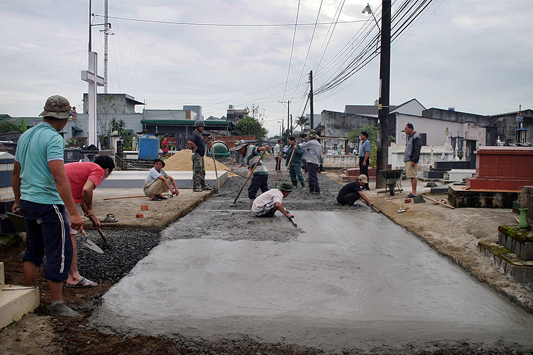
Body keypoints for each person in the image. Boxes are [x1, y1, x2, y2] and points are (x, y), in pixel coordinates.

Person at [12, 95, 84, 318]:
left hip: (28, 202)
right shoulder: (53, 138)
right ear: (63, 118)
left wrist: (17, 200)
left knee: (33, 251)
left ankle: (30, 298)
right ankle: (57, 304)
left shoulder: (26, 135)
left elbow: (16, 172)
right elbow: (59, 177)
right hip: (48, 204)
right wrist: (73, 212)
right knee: (59, 252)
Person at [64, 155, 115, 288]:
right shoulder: (98, 170)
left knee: (58, 232)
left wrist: (93, 218)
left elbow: (81, 197)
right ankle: (73, 277)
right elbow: (87, 190)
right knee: (71, 233)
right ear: (107, 170)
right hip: (57, 195)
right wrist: (91, 210)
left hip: (43, 193)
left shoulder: (86, 167)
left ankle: (59, 269)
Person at [231, 140, 270, 204]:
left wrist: (265, 148)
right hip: (262, 172)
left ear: (243, 147)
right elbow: (249, 166)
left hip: (259, 171)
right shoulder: (244, 156)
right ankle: (269, 202)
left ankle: (253, 205)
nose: (238, 151)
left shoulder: (250, 148)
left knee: (251, 190)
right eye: (237, 150)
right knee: (265, 190)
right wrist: (249, 173)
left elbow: (258, 149)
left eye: (239, 150)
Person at [187, 120, 213, 192]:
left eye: (203, 127)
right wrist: (195, 147)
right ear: (197, 127)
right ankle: (196, 187)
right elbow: (190, 141)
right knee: (197, 171)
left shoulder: (200, 135)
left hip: (201, 156)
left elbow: (204, 143)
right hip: (197, 155)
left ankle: (203, 186)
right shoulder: (195, 134)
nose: (202, 128)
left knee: (202, 171)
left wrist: (208, 138)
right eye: (201, 127)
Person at [404, 123, 422, 198]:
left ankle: (414, 192)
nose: (405, 131)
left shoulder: (416, 137)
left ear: (411, 129)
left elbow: (417, 149)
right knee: (411, 175)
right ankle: (413, 191)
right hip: (408, 159)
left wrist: (414, 160)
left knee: (413, 175)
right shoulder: (410, 137)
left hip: (412, 159)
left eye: (406, 129)